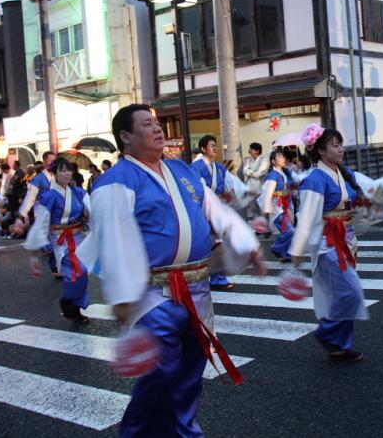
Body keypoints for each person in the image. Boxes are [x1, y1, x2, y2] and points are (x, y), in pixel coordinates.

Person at [76, 104, 264, 436]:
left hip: (197, 289)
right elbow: (115, 240)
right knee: (160, 376)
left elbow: (215, 210)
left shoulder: (181, 170)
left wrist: (246, 242)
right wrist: (122, 296)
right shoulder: (117, 180)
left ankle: (184, 431)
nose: (158, 129)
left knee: (191, 370)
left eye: (157, 123)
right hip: (153, 295)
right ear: (126, 136)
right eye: (147, 124)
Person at [288, 123, 383, 362]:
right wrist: (297, 251)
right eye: (335, 145)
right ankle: (329, 334)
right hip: (327, 244)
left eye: (341, 144)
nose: (341, 149)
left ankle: (338, 344)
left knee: (342, 293)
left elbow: (369, 187)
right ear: (320, 151)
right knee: (350, 291)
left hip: (346, 239)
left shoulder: (343, 173)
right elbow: (306, 217)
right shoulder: (315, 179)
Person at [25, 157, 92, 320]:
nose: (68, 173)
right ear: (54, 173)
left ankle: (75, 306)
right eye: (63, 170)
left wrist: (89, 215)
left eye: (69, 170)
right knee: (79, 272)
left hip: (79, 240)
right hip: (62, 242)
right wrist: (35, 251)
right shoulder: (49, 196)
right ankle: (67, 301)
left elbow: (93, 209)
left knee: (82, 274)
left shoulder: (78, 192)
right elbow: (41, 223)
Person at [191, 135, 255, 291]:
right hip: (202, 210)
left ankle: (218, 278)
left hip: (217, 209)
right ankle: (203, 277)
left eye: (215, 145)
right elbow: (194, 189)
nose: (215, 148)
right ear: (203, 149)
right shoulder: (196, 167)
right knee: (207, 245)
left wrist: (246, 191)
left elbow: (232, 182)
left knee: (220, 244)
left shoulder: (219, 167)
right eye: (212, 145)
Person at [258, 150, 296, 262]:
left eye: (283, 156)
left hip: (286, 205)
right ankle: (277, 248)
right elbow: (267, 193)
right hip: (277, 207)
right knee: (290, 230)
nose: (283, 158)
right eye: (279, 157)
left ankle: (284, 254)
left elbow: (297, 179)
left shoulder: (286, 172)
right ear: (273, 161)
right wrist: (265, 210)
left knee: (288, 230)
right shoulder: (273, 175)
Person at [242, 142, 270, 222]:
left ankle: (263, 229)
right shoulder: (248, 160)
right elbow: (244, 171)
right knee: (251, 209)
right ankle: (254, 228)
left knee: (261, 209)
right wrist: (253, 172)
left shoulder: (264, 159)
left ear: (257, 151)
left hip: (260, 188)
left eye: (251, 149)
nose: (249, 150)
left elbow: (259, 173)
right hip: (250, 188)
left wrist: (250, 172)